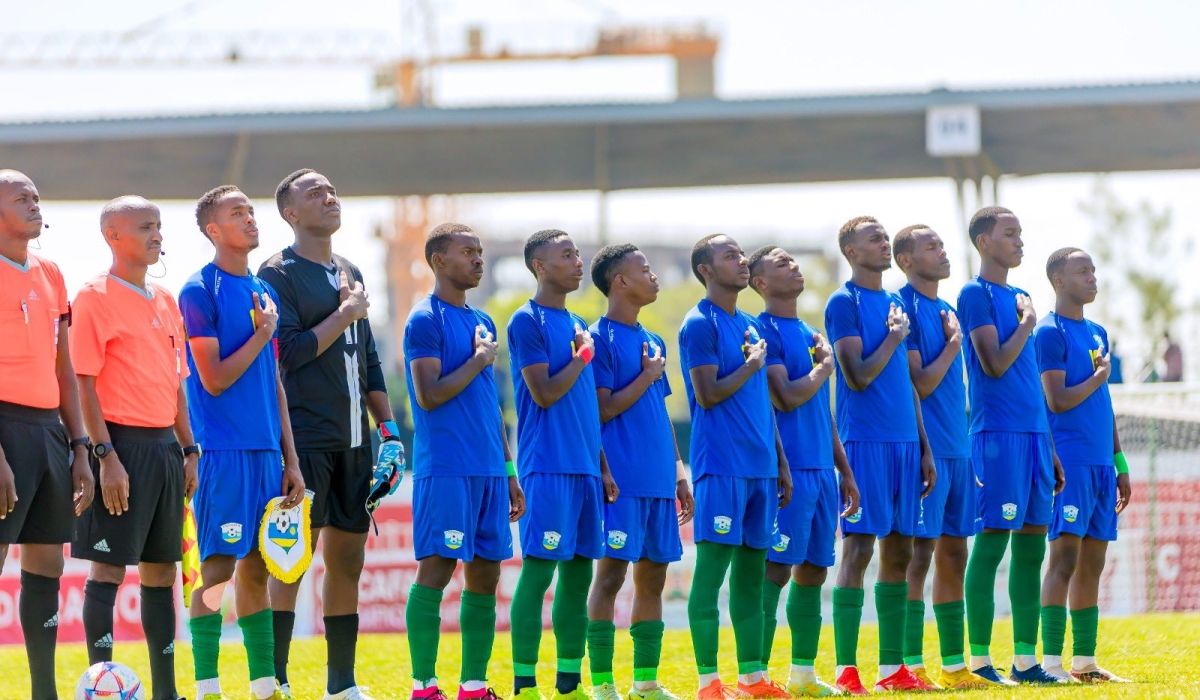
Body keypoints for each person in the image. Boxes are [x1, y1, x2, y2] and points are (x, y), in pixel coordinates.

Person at [258, 169, 403, 700]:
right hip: (305, 441)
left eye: (332, 190)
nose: (329, 197)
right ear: (290, 213)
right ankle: (275, 679)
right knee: (292, 560)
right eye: (313, 193)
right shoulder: (276, 272)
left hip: (356, 443)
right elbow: (289, 352)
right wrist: (346, 312)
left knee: (349, 559)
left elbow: (368, 361)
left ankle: (341, 685)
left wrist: (387, 430)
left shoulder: (351, 269)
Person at [181, 185, 304, 700]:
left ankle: (262, 687)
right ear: (214, 229)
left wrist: (291, 461)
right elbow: (212, 379)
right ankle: (208, 686)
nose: (251, 219)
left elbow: (273, 381)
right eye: (238, 214)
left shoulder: (263, 291)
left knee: (258, 569)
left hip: (267, 455)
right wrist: (260, 334)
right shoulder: (197, 291)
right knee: (216, 570)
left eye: (252, 212)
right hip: (222, 454)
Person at [72, 196, 198, 700]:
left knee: (162, 570)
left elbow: (177, 386)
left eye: (159, 226)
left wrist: (189, 451)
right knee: (107, 567)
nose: (157, 235)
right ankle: (102, 686)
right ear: (113, 236)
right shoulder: (92, 297)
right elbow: (84, 384)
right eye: (145, 227)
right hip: (119, 449)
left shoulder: (166, 301)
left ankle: (165, 693)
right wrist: (105, 458)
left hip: (165, 450)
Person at [403, 223, 526, 700]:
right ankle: (423, 686)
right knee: (437, 567)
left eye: (480, 252)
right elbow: (428, 395)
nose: (478, 259)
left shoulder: (483, 321)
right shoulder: (424, 319)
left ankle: (473, 686)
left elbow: (490, 407)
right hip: (447, 467)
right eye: (468, 252)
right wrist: (478, 359)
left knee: (488, 572)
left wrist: (509, 471)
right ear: (438, 260)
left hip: (491, 470)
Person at [823, 217, 936, 694]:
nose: (883, 244)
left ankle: (892, 669)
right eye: (873, 239)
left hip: (906, 446)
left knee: (901, 551)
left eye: (885, 237)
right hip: (865, 443)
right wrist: (892, 337)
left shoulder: (894, 302)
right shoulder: (842, 302)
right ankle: (846, 670)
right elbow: (856, 375)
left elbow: (907, 385)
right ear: (850, 251)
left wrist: (925, 447)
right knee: (860, 549)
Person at [679, 234, 793, 700]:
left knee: (751, 574)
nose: (742, 262)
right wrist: (750, 366)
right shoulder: (697, 324)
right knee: (712, 574)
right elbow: (706, 394)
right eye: (730, 256)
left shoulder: (750, 324)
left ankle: (753, 679)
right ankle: (708, 682)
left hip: (761, 468)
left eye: (742, 255)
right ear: (706, 270)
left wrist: (781, 462)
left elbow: (764, 405)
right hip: (720, 466)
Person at [507, 229, 618, 700]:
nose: (578, 263)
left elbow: (585, 409)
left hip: (585, 471)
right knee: (539, 573)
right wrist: (582, 355)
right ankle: (525, 684)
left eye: (577, 254)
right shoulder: (525, 321)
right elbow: (545, 392)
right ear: (539, 266)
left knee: (578, 575)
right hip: (546, 467)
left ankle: (569, 684)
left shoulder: (579, 322)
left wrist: (604, 467)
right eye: (567, 255)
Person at [956, 206, 1065, 686]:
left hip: (1036, 438)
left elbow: (1026, 380)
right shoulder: (974, 293)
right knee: (991, 546)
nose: (1020, 241)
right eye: (1010, 233)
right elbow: (994, 362)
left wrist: (1051, 445)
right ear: (983, 241)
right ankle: (980, 662)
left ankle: (1026, 661)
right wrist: (1025, 323)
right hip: (997, 436)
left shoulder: (1021, 294)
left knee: (1031, 550)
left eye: (1021, 232)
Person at [747, 245, 859, 697]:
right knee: (775, 570)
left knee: (814, 570)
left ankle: (803, 675)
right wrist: (822, 369)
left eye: (794, 261)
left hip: (822, 472)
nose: (794, 267)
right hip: (788, 471)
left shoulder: (811, 331)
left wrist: (844, 470)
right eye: (781, 265)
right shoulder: (761, 330)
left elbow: (820, 410)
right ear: (760, 283)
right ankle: (754, 675)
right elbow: (785, 397)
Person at [0, 169, 94, 700]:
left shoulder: (52, 273)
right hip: (2, 429)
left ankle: (43, 692)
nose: (35, 204)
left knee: (47, 563)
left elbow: (65, 366)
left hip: (47, 432)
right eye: (21, 198)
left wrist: (78, 445)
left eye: (36, 196)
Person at [584, 244, 694, 700]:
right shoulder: (597, 337)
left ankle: (645, 682)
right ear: (619, 281)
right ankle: (602, 683)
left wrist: (678, 473)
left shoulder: (652, 339)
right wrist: (647, 375)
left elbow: (660, 413)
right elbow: (602, 408)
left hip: (657, 481)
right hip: (621, 483)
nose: (654, 276)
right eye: (644, 269)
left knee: (654, 578)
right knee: (610, 577)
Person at [892, 225, 987, 690]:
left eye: (942, 245)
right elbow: (921, 383)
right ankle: (911, 665)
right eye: (931, 247)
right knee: (919, 556)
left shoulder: (947, 308)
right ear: (906, 260)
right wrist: (953, 344)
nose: (943, 252)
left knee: (955, 552)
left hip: (958, 448)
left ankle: (954, 665)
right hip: (925, 450)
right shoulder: (901, 306)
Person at [1035, 247, 1132, 683]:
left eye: (1094, 269)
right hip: (1070, 462)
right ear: (1058, 280)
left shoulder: (1096, 332)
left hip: (1100, 464)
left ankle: (1085, 663)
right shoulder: (1048, 333)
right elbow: (1057, 399)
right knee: (1064, 559)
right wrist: (1098, 377)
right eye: (1082, 271)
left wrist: (1119, 460)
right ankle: (1052, 662)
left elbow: (1102, 402)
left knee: (1094, 562)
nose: (1093, 277)